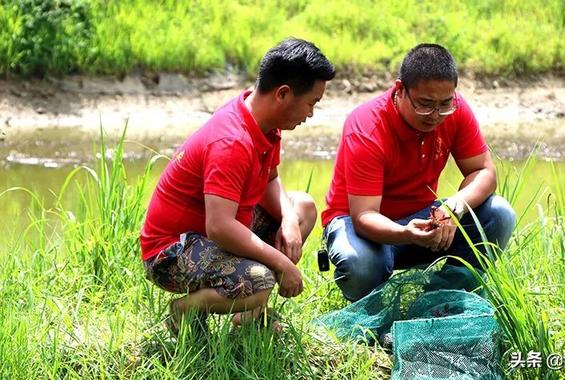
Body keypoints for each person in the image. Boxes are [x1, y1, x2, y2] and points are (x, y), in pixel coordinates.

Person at [140, 38, 335, 333]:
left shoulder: (264, 122)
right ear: (283, 94)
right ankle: (184, 310)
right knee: (259, 282)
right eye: (311, 103)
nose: (310, 114)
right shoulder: (231, 142)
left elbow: (270, 178)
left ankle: (249, 317)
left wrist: (289, 219)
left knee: (303, 208)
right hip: (171, 251)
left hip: (215, 231)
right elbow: (219, 226)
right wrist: (282, 263)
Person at [321, 43, 516, 302]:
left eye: (445, 104)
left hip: (423, 218)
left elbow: (483, 171)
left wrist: (452, 210)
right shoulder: (366, 126)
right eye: (425, 104)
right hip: (362, 225)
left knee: (499, 214)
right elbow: (364, 215)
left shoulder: (455, 110)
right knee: (359, 263)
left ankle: (440, 301)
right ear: (400, 89)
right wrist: (405, 234)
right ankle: (368, 309)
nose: (436, 115)